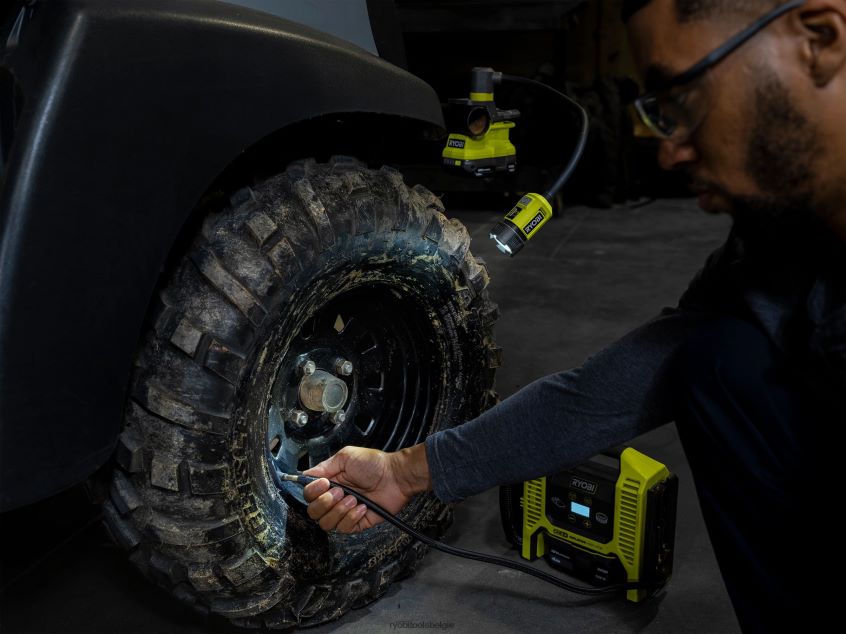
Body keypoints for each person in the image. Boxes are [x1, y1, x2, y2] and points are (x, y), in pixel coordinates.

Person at [303, 0, 845, 630]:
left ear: (819, 40)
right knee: (718, 360)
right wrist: (406, 470)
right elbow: (609, 391)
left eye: (685, 98)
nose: (669, 152)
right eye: (660, 113)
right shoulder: (776, 248)